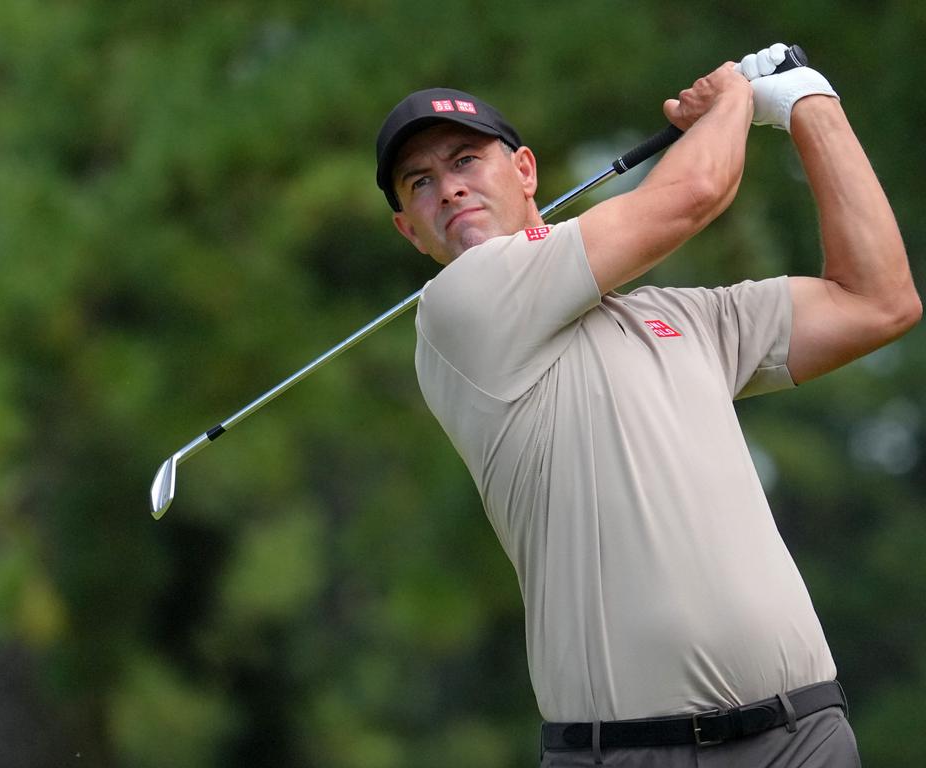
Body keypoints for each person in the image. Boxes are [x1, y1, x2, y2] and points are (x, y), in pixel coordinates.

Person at [374, 44, 920, 767]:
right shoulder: (458, 311)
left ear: (525, 170)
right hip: (629, 753)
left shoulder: (682, 319)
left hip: (805, 735)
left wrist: (806, 103)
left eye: (466, 161)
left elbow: (878, 301)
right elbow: (691, 196)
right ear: (409, 229)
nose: (448, 188)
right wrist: (736, 98)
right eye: (420, 182)